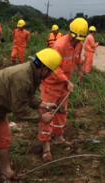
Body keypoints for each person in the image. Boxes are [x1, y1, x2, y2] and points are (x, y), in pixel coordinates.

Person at [0, 48, 62, 183]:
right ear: (45, 69)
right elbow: (20, 111)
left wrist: (42, 104)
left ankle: (6, 171)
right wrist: (42, 118)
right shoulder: (23, 77)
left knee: (3, 140)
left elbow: (27, 95)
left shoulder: (32, 73)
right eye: (50, 72)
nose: (49, 76)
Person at [38, 18, 88, 161]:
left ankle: (58, 136)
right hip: (52, 84)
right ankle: (45, 146)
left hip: (65, 85)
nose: (77, 41)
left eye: (79, 39)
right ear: (70, 32)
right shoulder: (59, 45)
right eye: (75, 38)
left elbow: (77, 60)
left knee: (61, 111)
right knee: (48, 113)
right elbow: (54, 66)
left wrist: (81, 71)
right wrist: (66, 81)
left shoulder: (79, 44)